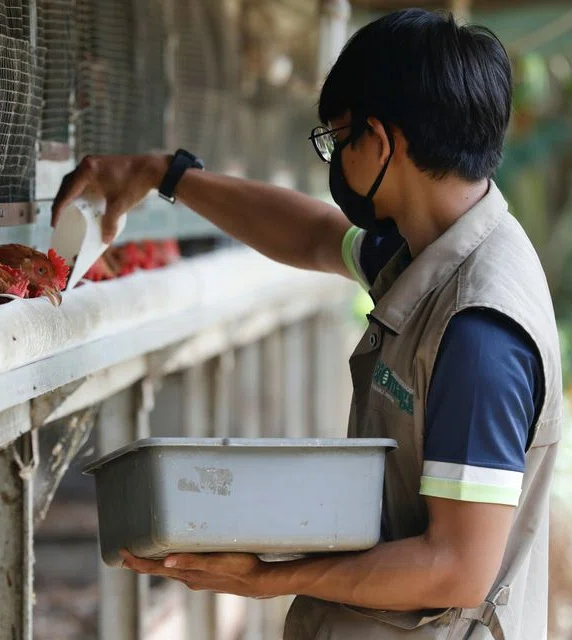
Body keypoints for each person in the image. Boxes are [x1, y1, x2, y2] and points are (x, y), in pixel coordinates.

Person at [51, 8, 562, 640]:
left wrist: (268, 577)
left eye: (338, 139)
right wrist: (167, 175)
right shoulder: (427, 253)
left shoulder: (479, 330)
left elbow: (454, 568)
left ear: (379, 139)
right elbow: (313, 234)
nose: (335, 159)